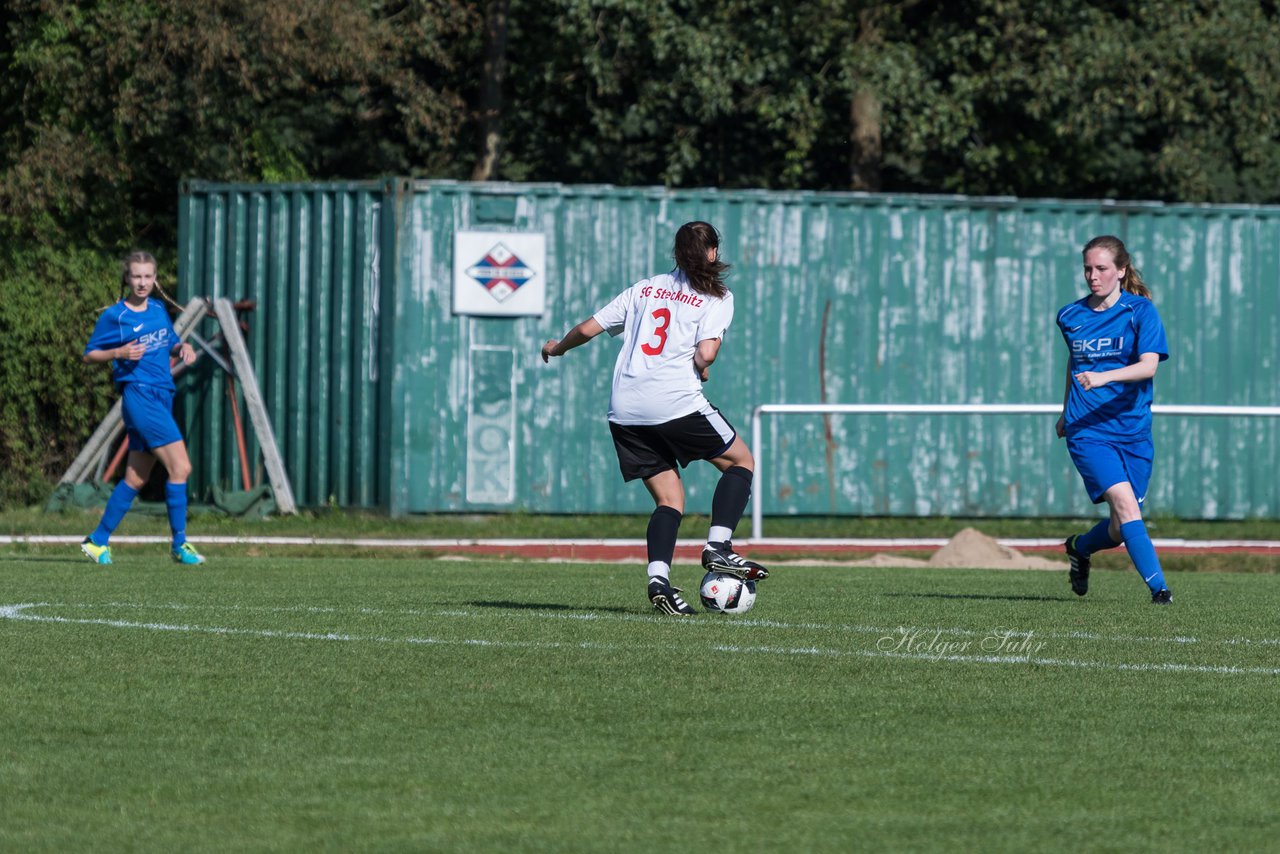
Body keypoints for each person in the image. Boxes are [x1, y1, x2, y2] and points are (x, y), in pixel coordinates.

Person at [541, 221, 767, 615]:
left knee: (669, 499)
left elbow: (587, 329)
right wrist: (702, 365)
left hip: (625, 410)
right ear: (712, 252)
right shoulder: (717, 295)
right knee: (740, 462)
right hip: (674, 402)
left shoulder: (644, 288)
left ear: (676, 254)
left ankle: (659, 580)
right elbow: (706, 354)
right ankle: (718, 546)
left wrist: (557, 348)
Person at [1056, 235, 1171, 604]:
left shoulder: (1141, 312)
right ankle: (1160, 592)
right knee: (1124, 504)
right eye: (1088, 268)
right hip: (1087, 428)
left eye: (1102, 268)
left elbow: (1148, 366)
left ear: (1121, 271)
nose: (1093, 276)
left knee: (1122, 525)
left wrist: (1105, 377)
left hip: (1133, 429)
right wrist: (1065, 411)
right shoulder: (1070, 315)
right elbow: (1074, 365)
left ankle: (1079, 547)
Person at [80, 251, 205, 566]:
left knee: (136, 478)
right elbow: (89, 354)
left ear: (155, 279)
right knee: (181, 468)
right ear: (127, 278)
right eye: (136, 276)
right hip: (140, 396)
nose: (142, 282)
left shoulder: (159, 309)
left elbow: (171, 342)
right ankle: (180, 545)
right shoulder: (116, 316)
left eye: (148, 276)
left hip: (162, 394)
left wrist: (183, 347)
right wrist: (118, 351)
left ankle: (97, 541)